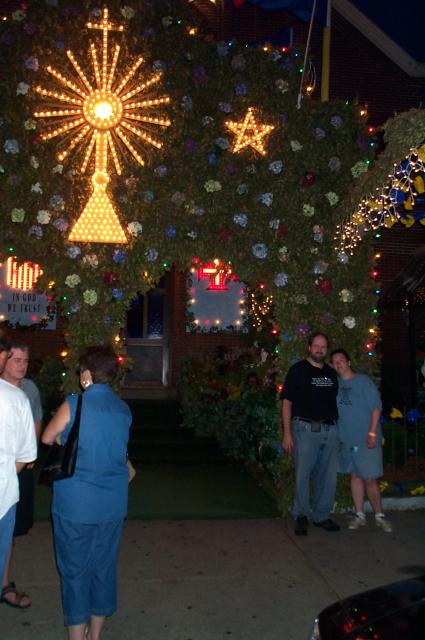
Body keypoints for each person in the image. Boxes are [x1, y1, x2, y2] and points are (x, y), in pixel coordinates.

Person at [42, 345, 132, 640]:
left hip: (76, 504)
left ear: (88, 375)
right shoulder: (124, 410)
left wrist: (67, 441)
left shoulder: (74, 404)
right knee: (103, 568)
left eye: (81, 371)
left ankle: (76, 637)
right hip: (112, 504)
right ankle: (95, 635)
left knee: (74, 570)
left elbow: (47, 437)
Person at [281, 332, 340, 536]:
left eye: (323, 347)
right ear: (309, 347)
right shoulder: (297, 370)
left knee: (328, 477)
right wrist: (287, 433)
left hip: (330, 430)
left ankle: (322, 515)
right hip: (305, 430)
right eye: (316, 346)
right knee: (303, 475)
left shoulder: (331, 373)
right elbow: (286, 402)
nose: (320, 350)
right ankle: (301, 515)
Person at [330, 349, 392, 532]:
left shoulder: (363, 381)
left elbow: (376, 407)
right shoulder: (335, 385)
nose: (338, 363)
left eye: (341, 360)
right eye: (335, 362)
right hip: (348, 440)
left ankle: (379, 515)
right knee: (355, 476)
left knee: (370, 478)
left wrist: (372, 433)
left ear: (349, 362)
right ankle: (360, 515)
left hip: (366, 440)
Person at [1, 341, 43, 609]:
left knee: (12, 529)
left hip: (19, 469)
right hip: (6, 469)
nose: (22, 366)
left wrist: (30, 453)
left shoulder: (29, 390)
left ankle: (4, 582)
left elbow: (36, 420)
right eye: (16, 360)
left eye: (25, 361)